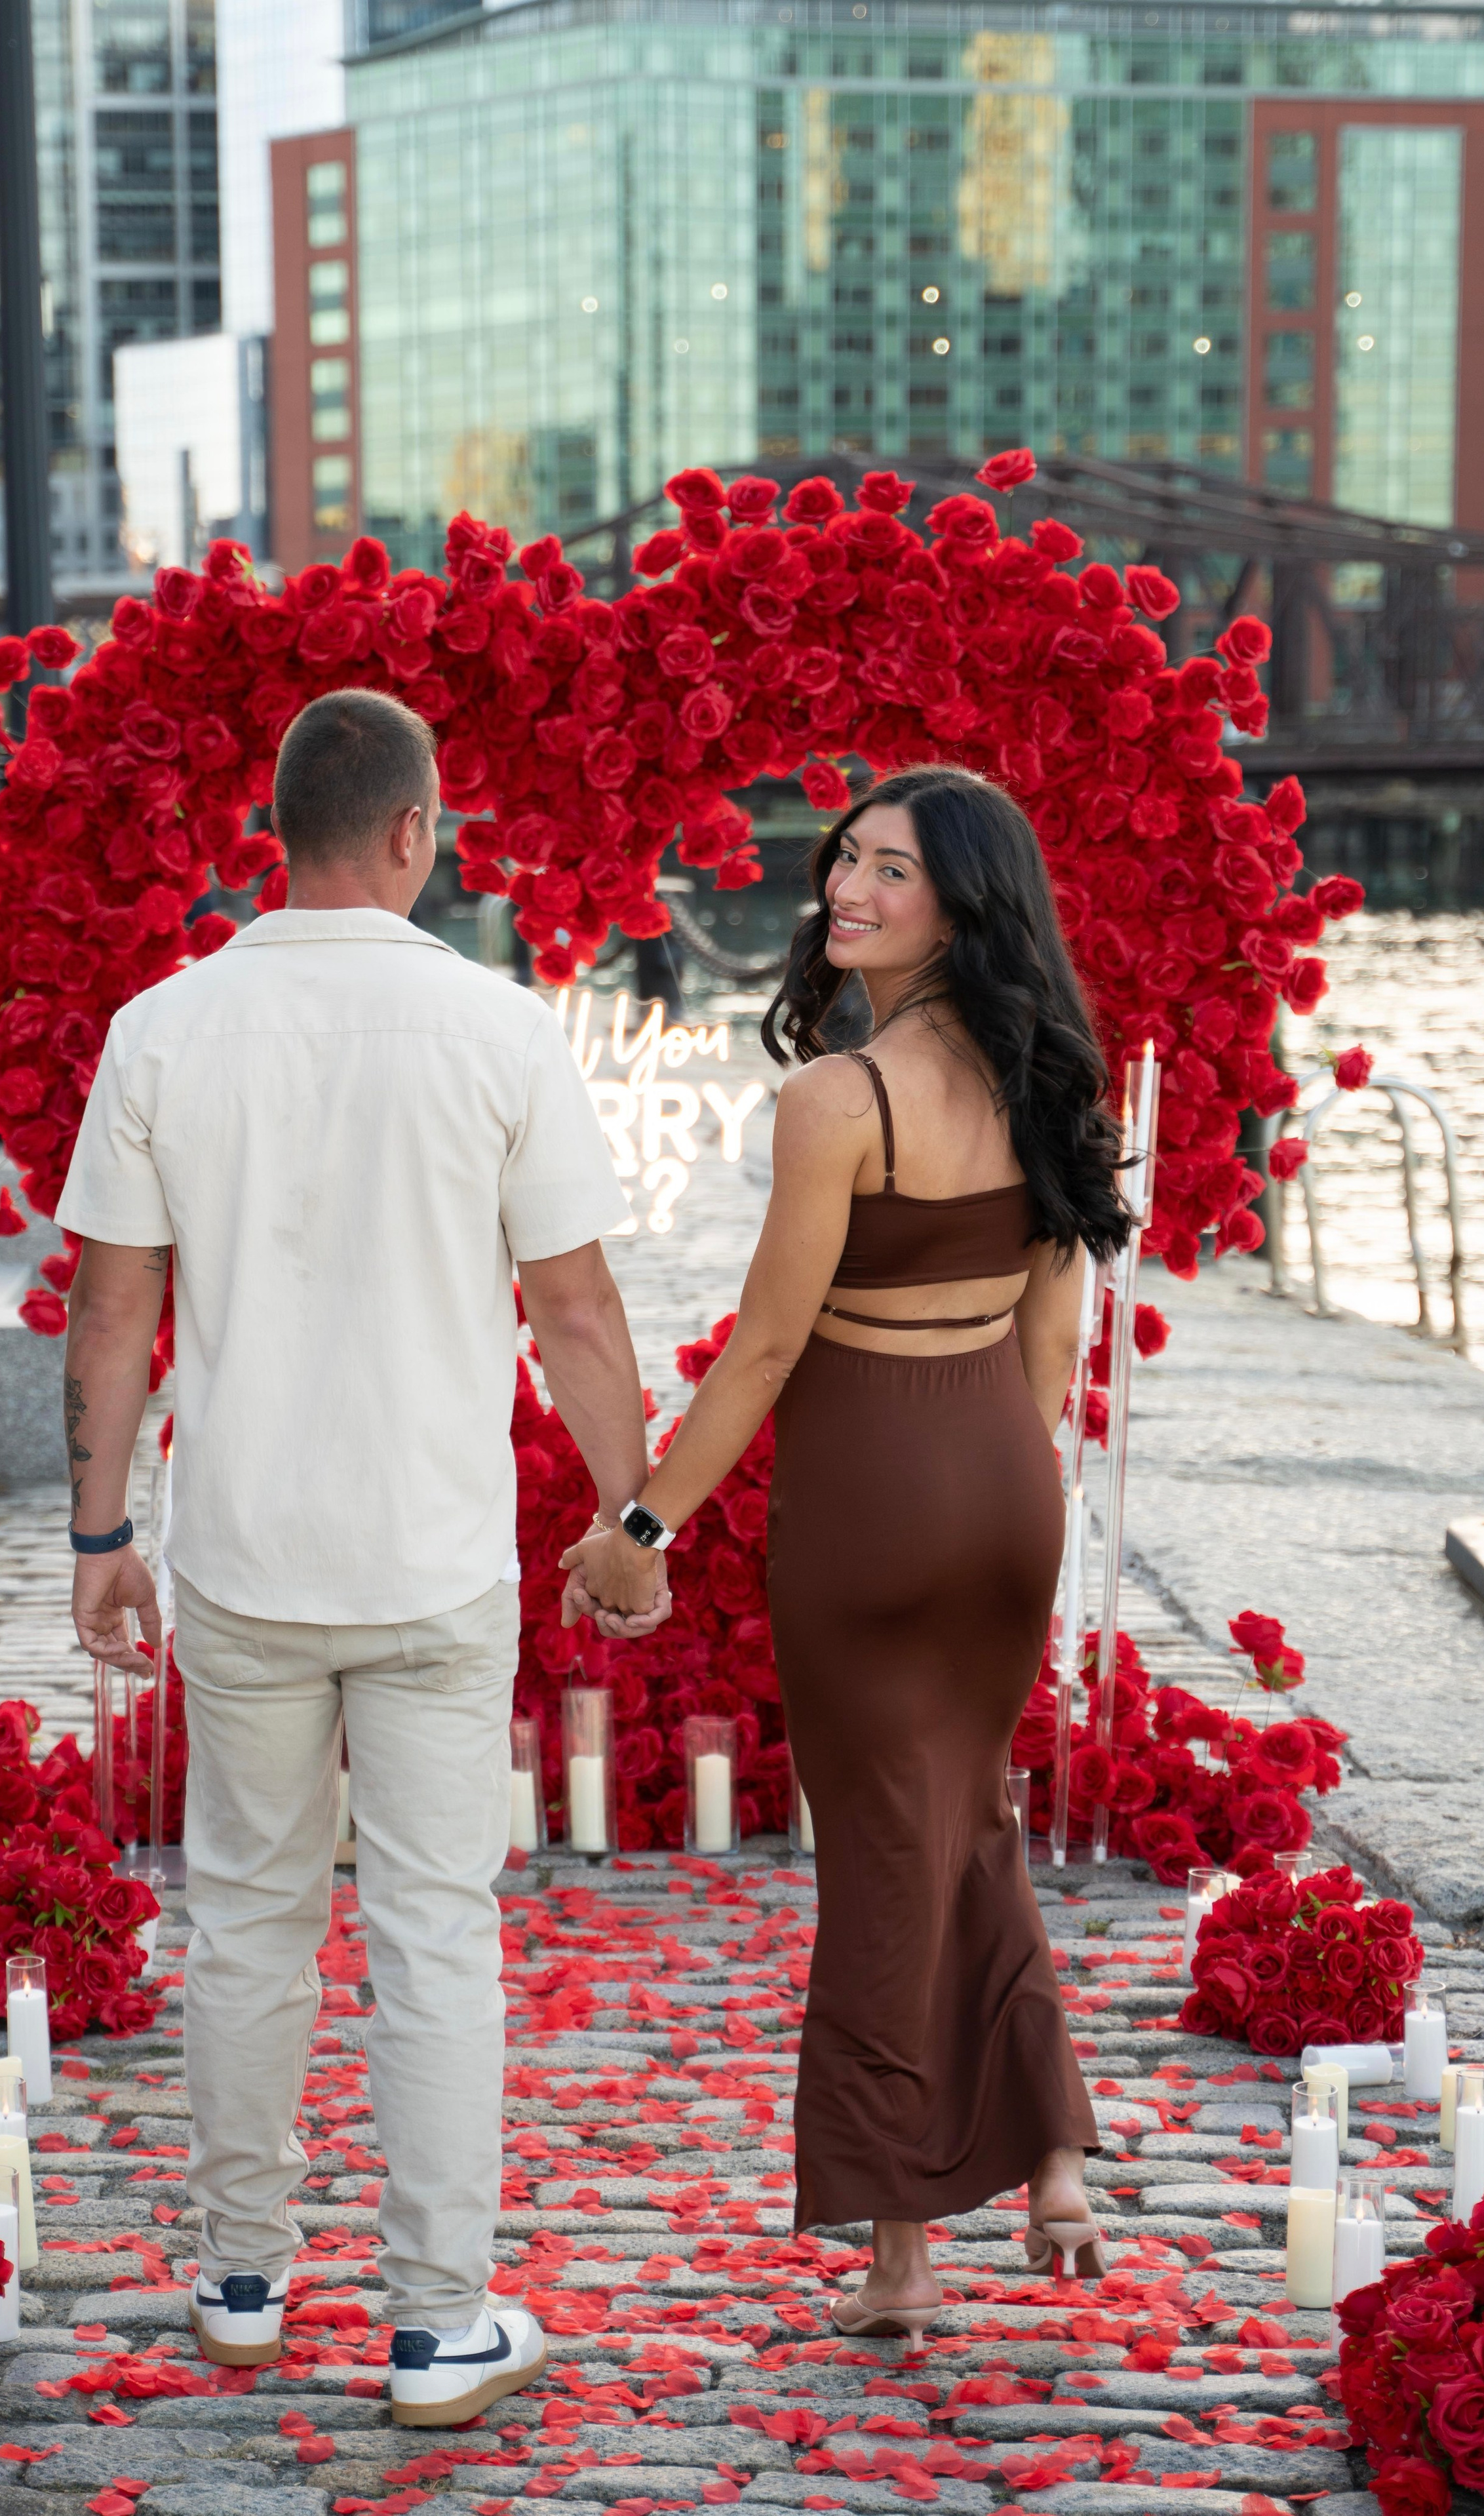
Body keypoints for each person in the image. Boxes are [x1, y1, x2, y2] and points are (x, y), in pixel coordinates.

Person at [56, 688, 665, 2421]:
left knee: (244, 1916)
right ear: (411, 829)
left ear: (282, 824)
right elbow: (577, 1305)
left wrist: (101, 1531)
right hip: (428, 1556)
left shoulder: (164, 1025)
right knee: (433, 1930)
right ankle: (437, 2317)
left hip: (242, 1548)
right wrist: (632, 1516)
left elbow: (113, 1306)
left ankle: (243, 2280)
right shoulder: (498, 1028)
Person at [563, 764, 1132, 2331]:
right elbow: (1052, 1331)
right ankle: (1055, 2156)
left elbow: (760, 1351)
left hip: (871, 1503)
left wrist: (637, 1528)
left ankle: (898, 2256)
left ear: (962, 902)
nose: (846, 891)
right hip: (1000, 1491)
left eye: (888, 870)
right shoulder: (1048, 1076)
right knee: (959, 1819)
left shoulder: (835, 1100)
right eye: (843, 863)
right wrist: (1014, 1505)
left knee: (886, 1855)